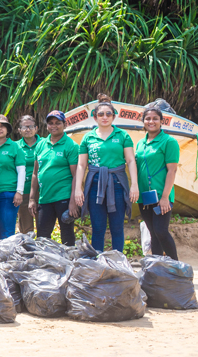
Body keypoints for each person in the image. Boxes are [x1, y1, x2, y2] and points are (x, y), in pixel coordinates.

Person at [74, 95, 140, 253]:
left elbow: (130, 161)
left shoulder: (122, 136)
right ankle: (98, 263)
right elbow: (82, 164)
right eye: (101, 114)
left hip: (117, 182)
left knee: (117, 228)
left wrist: (134, 186)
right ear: (95, 117)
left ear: (114, 116)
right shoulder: (88, 137)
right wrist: (78, 188)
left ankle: (118, 263)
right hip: (95, 183)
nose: (104, 117)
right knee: (98, 228)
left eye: (108, 114)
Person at [29, 111, 79, 246]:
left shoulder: (71, 146)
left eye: (58, 123)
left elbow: (76, 175)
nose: (54, 126)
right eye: (50, 123)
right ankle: (45, 264)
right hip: (45, 197)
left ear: (65, 124)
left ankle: (69, 264)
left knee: (67, 234)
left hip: (64, 197)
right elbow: (35, 173)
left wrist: (73, 201)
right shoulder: (40, 145)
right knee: (42, 236)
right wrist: (32, 199)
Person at [137, 105, 180, 260]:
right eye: (147, 118)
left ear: (162, 121)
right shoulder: (140, 144)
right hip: (145, 196)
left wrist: (165, 197)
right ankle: (158, 269)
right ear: (143, 122)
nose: (151, 121)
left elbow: (172, 170)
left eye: (155, 118)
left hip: (162, 195)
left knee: (161, 231)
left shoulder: (169, 141)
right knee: (153, 232)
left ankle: (176, 267)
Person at [0, 114, 25, 241]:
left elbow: (21, 171)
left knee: (7, 232)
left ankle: (8, 259)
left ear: (7, 129)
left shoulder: (15, 147)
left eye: (2, 126)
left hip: (9, 194)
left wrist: (19, 191)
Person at [15, 115, 40, 234]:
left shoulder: (45, 143)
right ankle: (27, 251)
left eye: (31, 127)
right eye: (24, 127)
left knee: (43, 226)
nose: (28, 129)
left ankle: (43, 250)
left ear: (36, 128)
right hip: (23, 191)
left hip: (42, 190)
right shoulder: (15, 146)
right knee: (25, 228)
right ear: (19, 130)